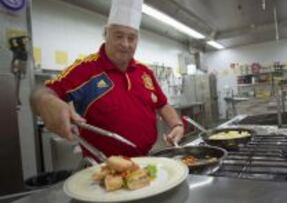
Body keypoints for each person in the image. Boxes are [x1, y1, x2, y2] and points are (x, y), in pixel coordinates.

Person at [30, 0, 184, 159]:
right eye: (119, 36)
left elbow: (162, 104)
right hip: (103, 167)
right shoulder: (85, 69)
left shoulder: (145, 72)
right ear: (106, 34)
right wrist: (46, 101)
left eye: (132, 38)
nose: (125, 44)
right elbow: (42, 92)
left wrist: (177, 124)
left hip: (145, 160)